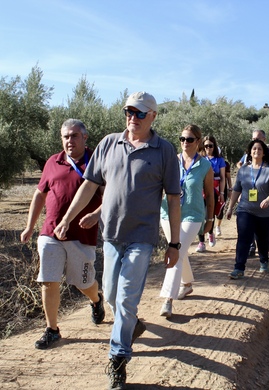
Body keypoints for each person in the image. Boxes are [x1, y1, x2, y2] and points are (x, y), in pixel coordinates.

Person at [54, 91, 181, 390]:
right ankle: (131, 325)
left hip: (142, 237)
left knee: (125, 298)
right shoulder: (109, 143)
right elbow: (89, 185)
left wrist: (174, 243)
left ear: (152, 116)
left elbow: (174, 199)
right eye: (128, 111)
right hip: (110, 235)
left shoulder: (164, 150)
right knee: (110, 294)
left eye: (138, 113)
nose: (132, 117)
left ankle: (118, 358)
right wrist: (67, 218)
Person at [20, 119, 104, 350]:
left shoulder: (96, 162)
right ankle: (52, 329)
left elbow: (111, 196)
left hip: (82, 235)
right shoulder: (52, 162)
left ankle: (96, 300)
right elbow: (39, 195)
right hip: (51, 232)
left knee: (82, 282)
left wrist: (96, 214)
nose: (69, 140)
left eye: (74, 135)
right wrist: (30, 226)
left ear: (85, 138)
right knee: (48, 279)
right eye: (66, 136)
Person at [159, 125, 214, 318]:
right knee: (179, 252)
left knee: (176, 251)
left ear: (197, 142)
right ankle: (187, 284)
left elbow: (209, 194)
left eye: (189, 139)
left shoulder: (205, 165)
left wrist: (210, 218)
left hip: (193, 214)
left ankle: (167, 299)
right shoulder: (172, 161)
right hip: (168, 213)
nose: (185, 143)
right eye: (182, 139)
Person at [226, 139, 269, 278]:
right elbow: (237, 189)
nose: (256, 151)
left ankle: (264, 260)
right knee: (244, 238)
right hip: (245, 209)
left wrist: (268, 200)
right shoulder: (243, 170)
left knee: (262, 240)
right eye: (254, 149)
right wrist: (230, 207)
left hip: (265, 213)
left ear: (263, 153)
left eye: (260, 149)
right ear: (250, 152)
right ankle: (239, 268)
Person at [237, 129, 269, 256]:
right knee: (250, 217)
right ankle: (251, 246)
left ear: (264, 139)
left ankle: (268, 238)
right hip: (251, 193)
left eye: (258, 138)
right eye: (253, 139)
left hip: (268, 192)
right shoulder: (250, 152)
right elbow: (240, 164)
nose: (255, 141)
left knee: (266, 221)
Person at [196, 135, 225, 252]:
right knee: (199, 215)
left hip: (215, 189)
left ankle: (211, 232)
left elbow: (222, 178)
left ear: (214, 146)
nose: (208, 148)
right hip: (200, 189)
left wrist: (222, 192)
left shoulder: (220, 160)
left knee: (210, 214)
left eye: (211, 146)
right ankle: (201, 242)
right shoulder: (199, 158)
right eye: (206, 145)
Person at [215, 156, 232, 236]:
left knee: (220, 209)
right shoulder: (205, 161)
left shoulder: (225, 164)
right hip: (211, 188)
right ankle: (210, 230)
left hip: (222, 189)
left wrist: (230, 189)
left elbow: (228, 178)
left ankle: (218, 226)